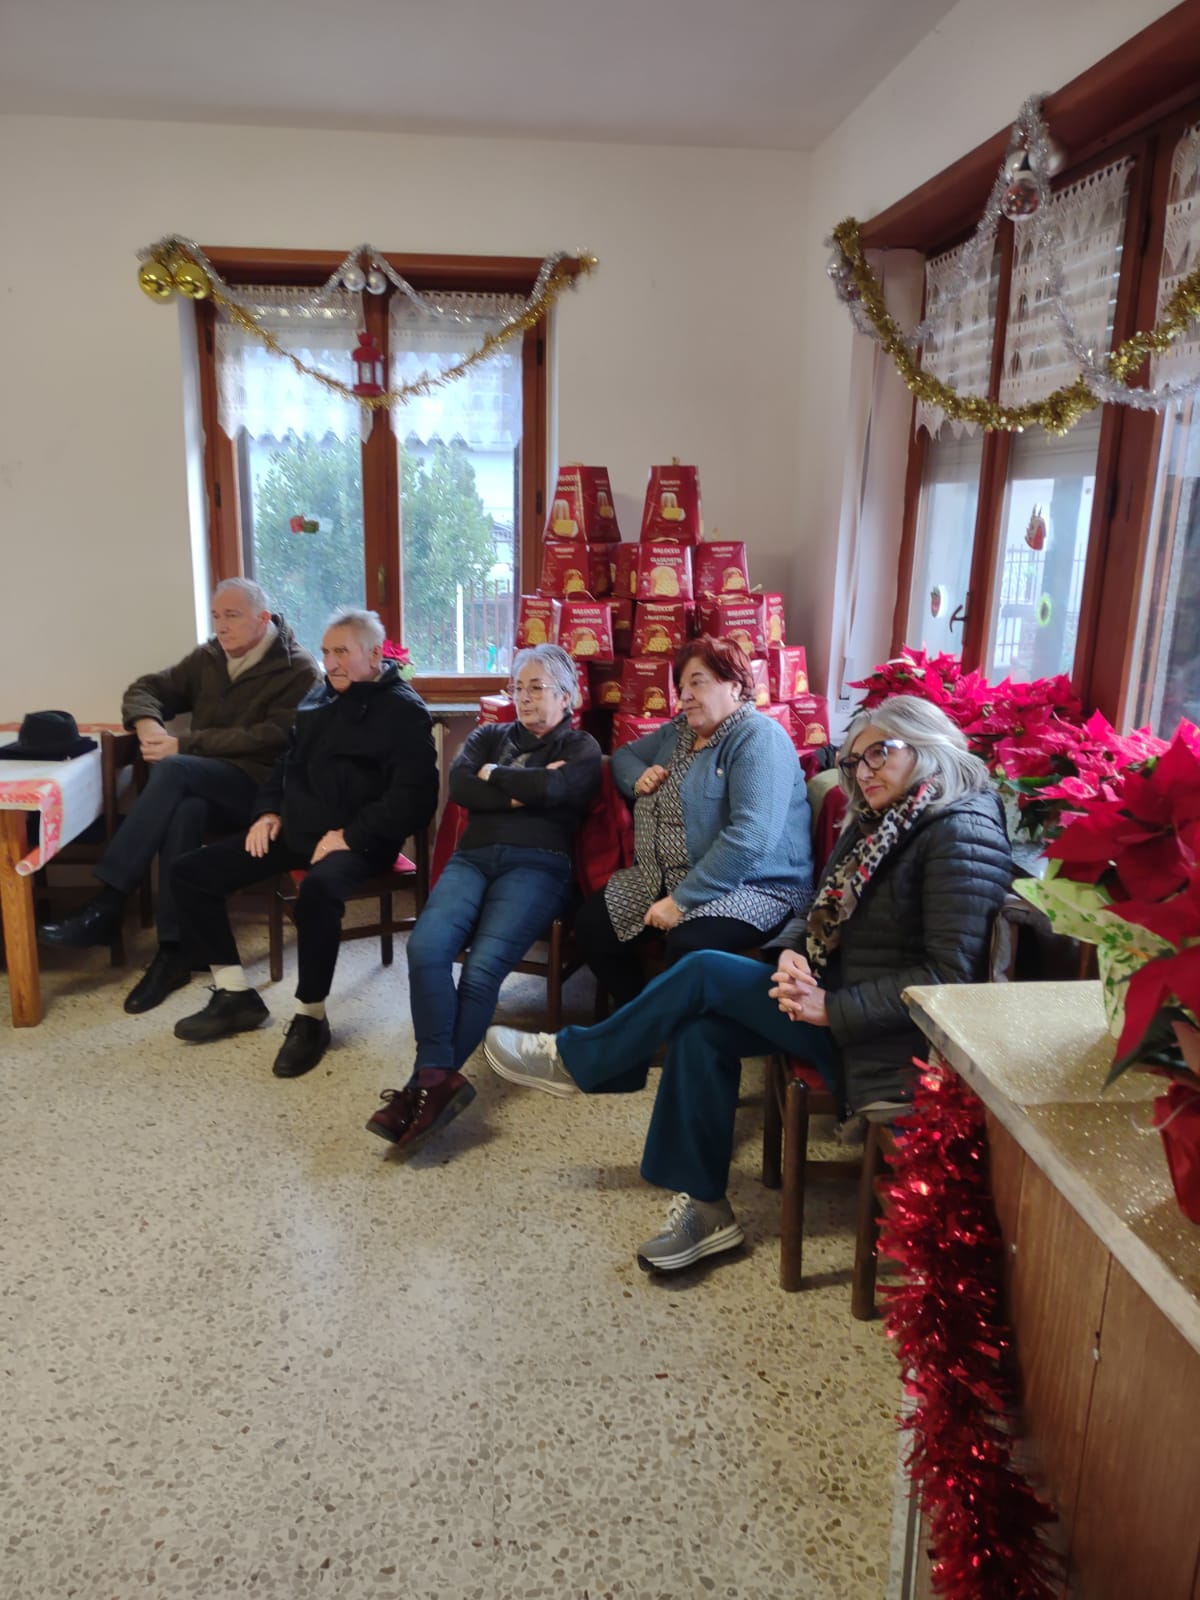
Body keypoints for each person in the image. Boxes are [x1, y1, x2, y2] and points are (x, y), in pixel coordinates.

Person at [483, 694, 1013, 1275]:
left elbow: (949, 981)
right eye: (856, 760)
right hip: (839, 998)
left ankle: (579, 1059)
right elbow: (819, 910)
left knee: (704, 969)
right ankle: (707, 1209)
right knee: (702, 1030)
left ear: (928, 745)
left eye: (880, 753)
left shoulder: (960, 830)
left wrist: (831, 1008)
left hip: (891, 1044)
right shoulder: (882, 820)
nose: (865, 771)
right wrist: (792, 956)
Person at [169, 608, 437, 1078]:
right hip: (298, 828)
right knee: (191, 872)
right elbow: (286, 762)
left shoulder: (403, 709)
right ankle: (234, 995)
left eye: (342, 652)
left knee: (318, 890)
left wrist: (348, 835)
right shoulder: (319, 695)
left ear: (375, 655)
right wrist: (267, 811)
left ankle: (311, 1018)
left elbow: (415, 798)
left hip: (362, 840)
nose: (330, 662)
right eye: (326, 651)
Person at [38, 578, 320, 1013]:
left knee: (174, 769)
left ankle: (108, 902)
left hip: (261, 792)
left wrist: (184, 745)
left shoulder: (298, 668)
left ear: (263, 618)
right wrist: (148, 724)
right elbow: (144, 689)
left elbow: (277, 736)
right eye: (216, 616)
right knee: (186, 808)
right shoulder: (209, 657)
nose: (221, 626)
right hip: (205, 783)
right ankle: (175, 950)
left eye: (232, 616)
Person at [365, 643, 601, 1154]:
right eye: (518, 687)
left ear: (566, 696)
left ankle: (421, 1088)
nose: (524, 697)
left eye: (537, 688)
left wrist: (497, 777)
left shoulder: (581, 747)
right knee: (425, 948)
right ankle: (435, 1082)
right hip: (472, 859)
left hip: (539, 864)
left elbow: (560, 791)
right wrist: (531, 786)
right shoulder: (489, 735)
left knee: (481, 971)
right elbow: (462, 787)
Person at [573, 635, 813, 1009]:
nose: (684, 695)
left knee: (688, 943)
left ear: (735, 686)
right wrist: (639, 778)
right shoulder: (680, 731)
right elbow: (625, 756)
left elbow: (750, 837)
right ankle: (641, 1016)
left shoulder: (758, 738)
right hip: (667, 876)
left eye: (697, 682)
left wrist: (681, 901)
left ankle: (657, 1026)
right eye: (681, 686)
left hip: (756, 887)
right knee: (593, 925)